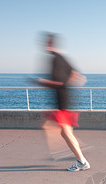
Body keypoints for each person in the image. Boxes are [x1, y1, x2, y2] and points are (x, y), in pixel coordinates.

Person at [33, 33, 90, 171]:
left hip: (62, 102)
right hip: (67, 100)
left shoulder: (55, 60)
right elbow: (79, 77)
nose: (44, 45)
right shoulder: (63, 58)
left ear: (51, 44)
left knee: (63, 131)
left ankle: (81, 160)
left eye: (47, 42)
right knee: (65, 132)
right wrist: (68, 83)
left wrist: (41, 82)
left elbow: (58, 82)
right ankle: (79, 155)